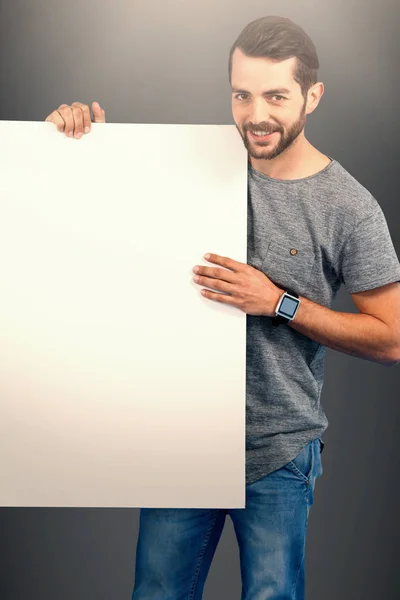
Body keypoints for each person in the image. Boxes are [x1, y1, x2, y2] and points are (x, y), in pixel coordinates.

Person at [45, 15, 400, 600]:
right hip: (182, 438)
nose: (256, 114)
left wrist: (278, 302)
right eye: (242, 94)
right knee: (156, 594)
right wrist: (91, 152)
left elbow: (389, 339)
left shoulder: (349, 205)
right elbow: (104, 234)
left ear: (313, 95)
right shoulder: (191, 166)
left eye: (276, 96)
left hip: (279, 450)